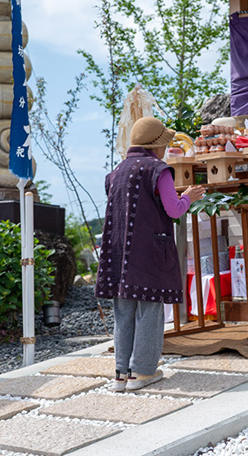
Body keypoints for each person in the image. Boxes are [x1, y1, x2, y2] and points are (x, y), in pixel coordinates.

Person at [95, 116, 205, 391]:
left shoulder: (117, 171)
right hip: (149, 253)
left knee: (124, 311)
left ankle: (122, 374)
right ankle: (143, 373)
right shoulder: (158, 169)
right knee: (150, 310)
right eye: (164, 143)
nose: (166, 149)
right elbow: (174, 210)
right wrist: (189, 196)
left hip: (118, 253)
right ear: (156, 145)